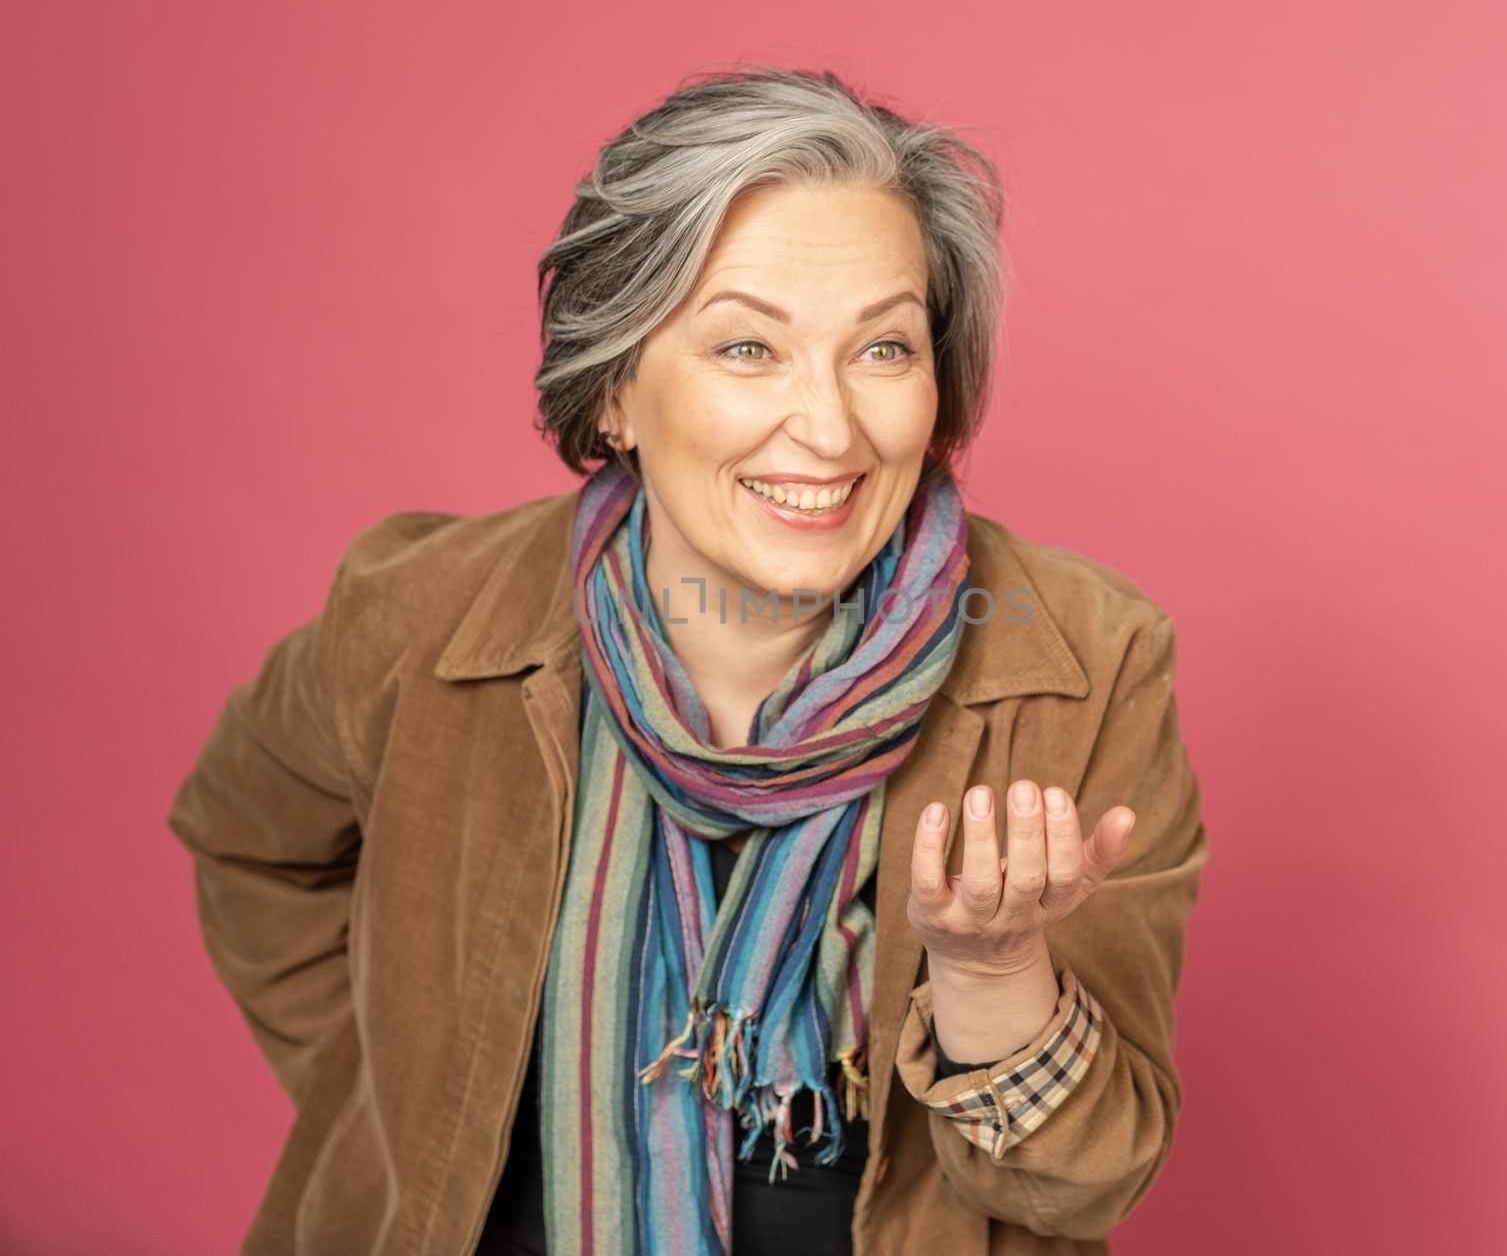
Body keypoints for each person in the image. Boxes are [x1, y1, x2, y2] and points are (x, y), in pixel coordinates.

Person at [168, 66, 1209, 1256]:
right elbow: (248, 839)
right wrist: (407, 1097)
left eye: (881, 347)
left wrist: (993, 972)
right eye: (747, 347)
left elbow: (1085, 1187)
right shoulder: (419, 615)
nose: (827, 427)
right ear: (613, 386)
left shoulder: (1087, 663)